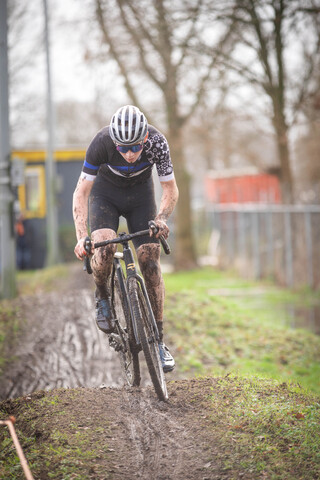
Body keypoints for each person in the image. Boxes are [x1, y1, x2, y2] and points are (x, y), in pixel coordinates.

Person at [73, 105, 179, 372]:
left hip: (141, 199)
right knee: (104, 247)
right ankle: (103, 296)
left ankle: (158, 341)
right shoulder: (100, 143)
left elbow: (170, 188)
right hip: (105, 197)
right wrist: (82, 237)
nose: (130, 154)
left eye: (135, 147)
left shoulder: (157, 142)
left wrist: (162, 219)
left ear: (144, 139)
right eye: (122, 149)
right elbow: (81, 193)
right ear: (114, 143)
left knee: (150, 262)